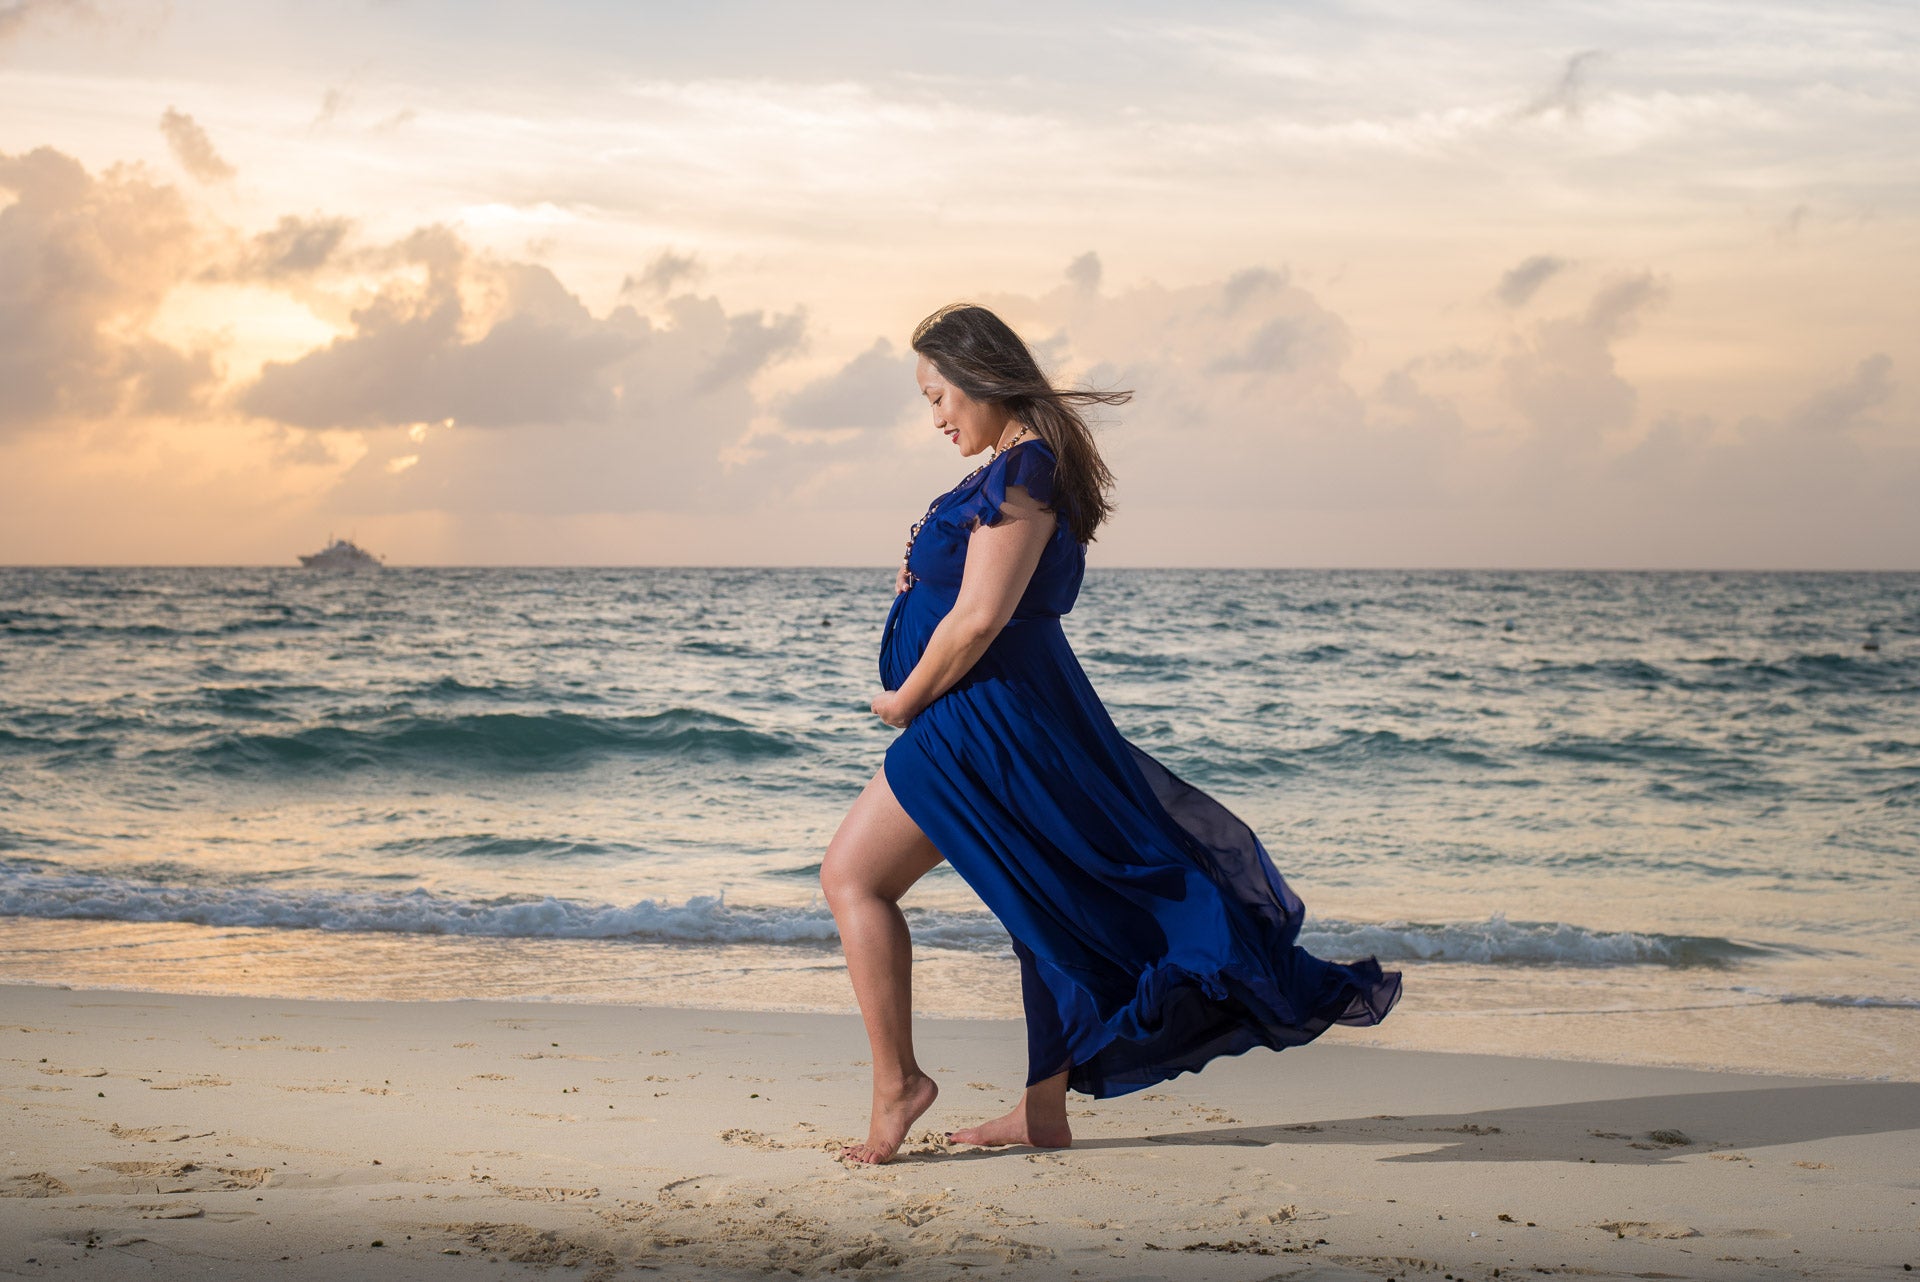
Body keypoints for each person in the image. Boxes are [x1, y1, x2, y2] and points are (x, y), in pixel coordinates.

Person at [820, 302, 1402, 1165]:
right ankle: (1041, 1111)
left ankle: (898, 1084)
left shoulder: (1023, 473)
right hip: (991, 714)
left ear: (980, 379)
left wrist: (904, 700)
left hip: (986, 721)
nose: (935, 417)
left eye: (938, 395)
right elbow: (972, 593)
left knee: (852, 878)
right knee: (1039, 900)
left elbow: (981, 618)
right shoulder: (1015, 471)